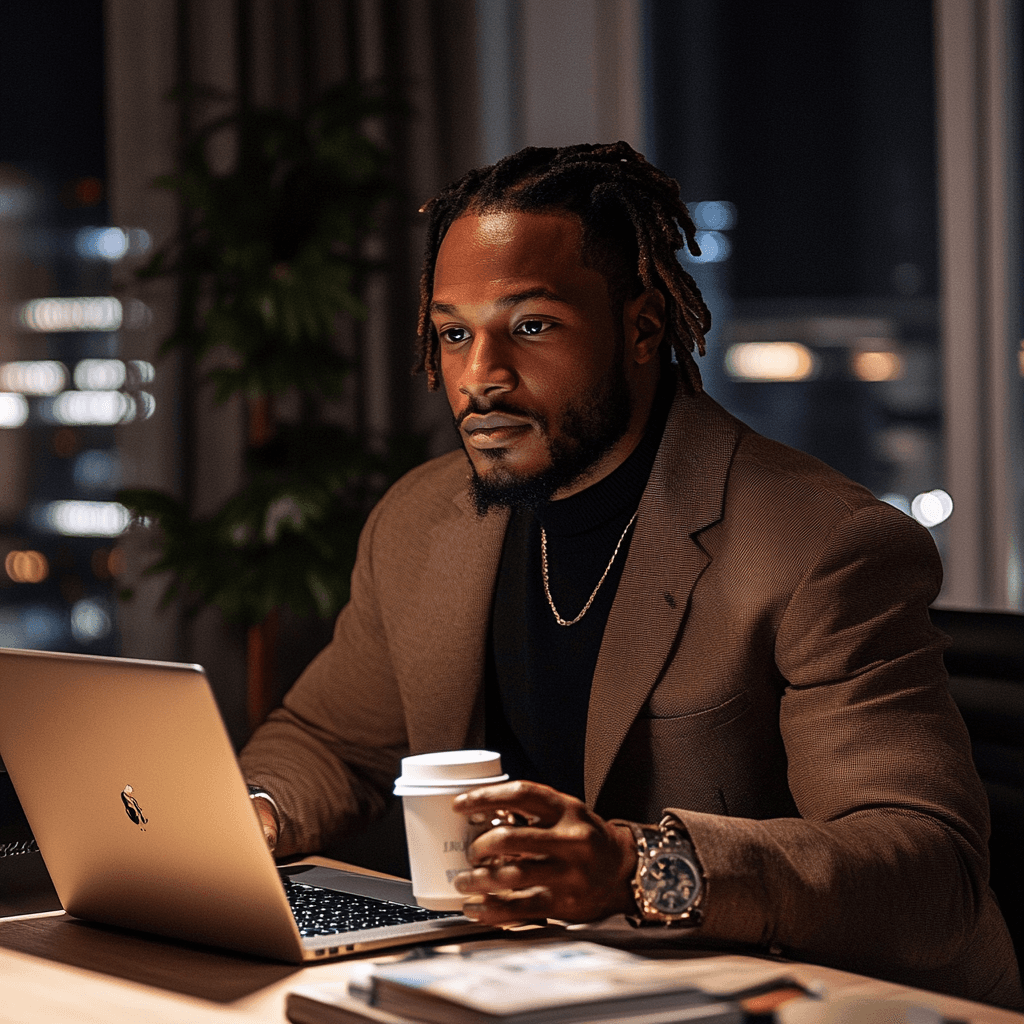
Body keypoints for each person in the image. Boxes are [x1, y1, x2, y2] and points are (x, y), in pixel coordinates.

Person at [239, 142, 1022, 1008]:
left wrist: (636, 868)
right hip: (552, 989)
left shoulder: (823, 545)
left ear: (643, 326)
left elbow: (927, 869)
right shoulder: (423, 520)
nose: (478, 377)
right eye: (455, 333)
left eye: (530, 326)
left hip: (828, 1003)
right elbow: (330, 741)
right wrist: (254, 814)